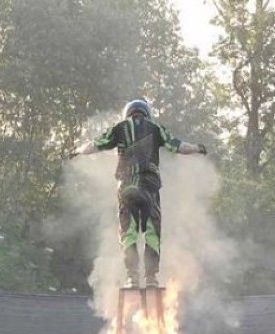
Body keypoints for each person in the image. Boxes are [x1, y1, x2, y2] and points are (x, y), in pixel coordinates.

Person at [70, 98, 207, 288]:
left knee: (129, 232)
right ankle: (151, 277)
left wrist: (76, 150)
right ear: (146, 113)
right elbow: (178, 146)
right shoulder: (156, 128)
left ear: (128, 113)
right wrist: (198, 148)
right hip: (150, 186)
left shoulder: (119, 128)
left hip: (126, 187)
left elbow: (95, 145)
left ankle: (132, 277)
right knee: (152, 231)